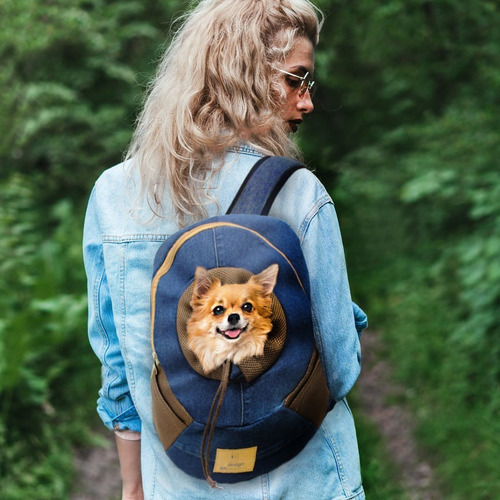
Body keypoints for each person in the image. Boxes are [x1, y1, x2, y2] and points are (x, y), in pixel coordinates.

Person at [83, 0, 366, 498]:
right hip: (303, 481)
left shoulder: (113, 195)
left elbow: (120, 376)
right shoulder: (297, 193)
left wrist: (133, 485)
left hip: (177, 482)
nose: (306, 102)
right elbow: (339, 372)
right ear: (247, 73)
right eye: (296, 79)